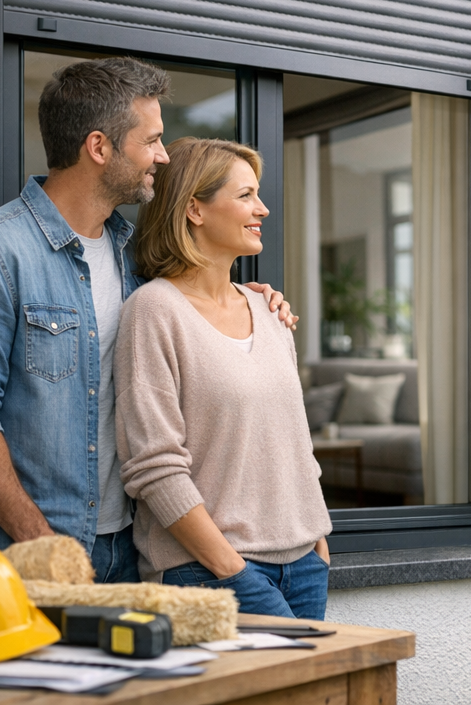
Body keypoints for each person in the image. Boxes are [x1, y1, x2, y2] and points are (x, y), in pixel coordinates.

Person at [0, 58, 297, 583]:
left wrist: (255, 298)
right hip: (26, 558)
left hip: (131, 551)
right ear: (99, 147)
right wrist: (41, 542)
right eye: (152, 140)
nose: (162, 155)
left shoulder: (136, 260)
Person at [115, 138, 332, 619]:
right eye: (246, 195)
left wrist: (316, 535)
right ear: (194, 208)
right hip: (209, 572)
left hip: (303, 564)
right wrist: (229, 568)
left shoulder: (269, 309)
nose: (264, 209)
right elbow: (154, 465)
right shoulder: (153, 311)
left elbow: (295, 442)